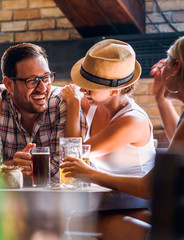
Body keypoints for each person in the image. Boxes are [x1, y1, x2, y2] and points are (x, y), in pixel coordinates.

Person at [62, 36, 184, 240]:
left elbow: (149, 187)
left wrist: (89, 173)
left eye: (166, 61)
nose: (160, 68)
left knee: (78, 226)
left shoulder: (131, 120)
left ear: (177, 67)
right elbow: (176, 146)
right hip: (153, 209)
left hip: (154, 207)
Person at [0, 43, 87, 184]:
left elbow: (68, 174)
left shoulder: (63, 103)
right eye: (32, 81)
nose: (42, 88)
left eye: (46, 77)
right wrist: (13, 166)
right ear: (9, 84)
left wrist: (8, 172)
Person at [62, 39, 156, 177]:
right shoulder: (95, 102)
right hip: (100, 192)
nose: (82, 90)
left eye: (90, 88)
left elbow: (74, 154)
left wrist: (73, 103)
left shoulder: (132, 122)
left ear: (115, 91)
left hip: (133, 196)